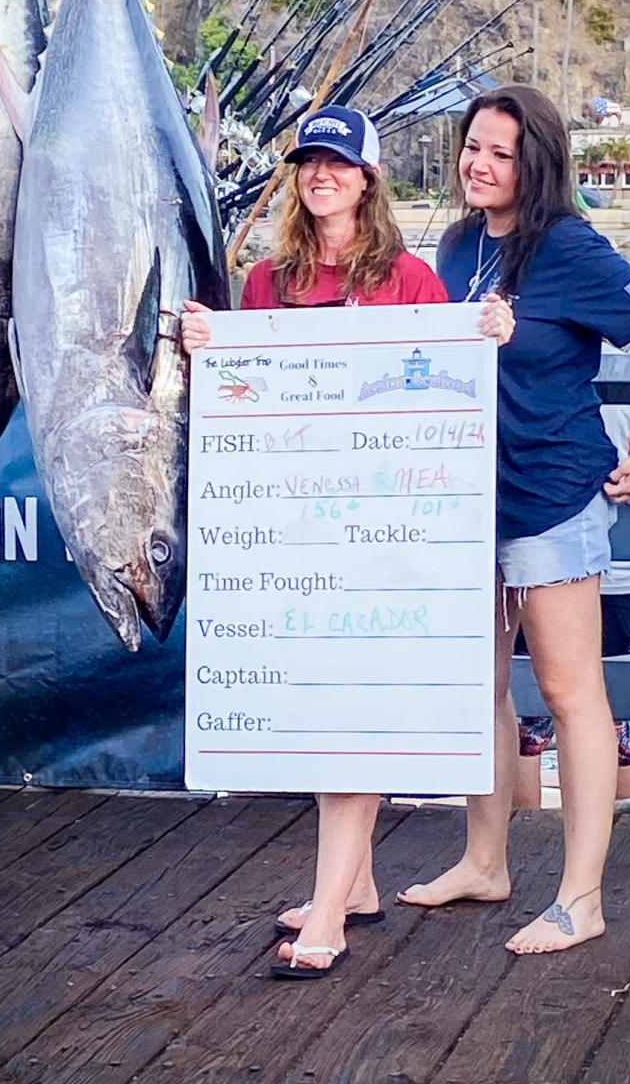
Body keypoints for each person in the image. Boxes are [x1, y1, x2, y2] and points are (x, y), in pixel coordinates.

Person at [181, 103, 515, 979]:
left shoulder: (410, 277)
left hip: (388, 536)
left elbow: (450, 377)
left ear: (369, 178)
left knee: (353, 715)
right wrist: (205, 340)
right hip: (293, 536)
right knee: (321, 704)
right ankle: (358, 882)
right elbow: (233, 382)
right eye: (308, 162)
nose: (321, 174)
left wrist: (486, 332)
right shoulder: (264, 283)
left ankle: (328, 908)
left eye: (337, 162)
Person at [395, 86, 630, 954]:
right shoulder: (453, 246)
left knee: (571, 694)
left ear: (537, 163)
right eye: (472, 148)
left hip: (553, 495)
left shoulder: (567, 247)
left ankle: (581, 897)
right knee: (481, 686)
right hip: (465, 500)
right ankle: (484, 861)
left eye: (501, 152)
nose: (480, 164)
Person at [513, 406, 630, 808]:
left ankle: (520, 831)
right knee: (619, 714)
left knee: (526, 720)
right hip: (627, 583)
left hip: (543, 567)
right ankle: (617, 829)